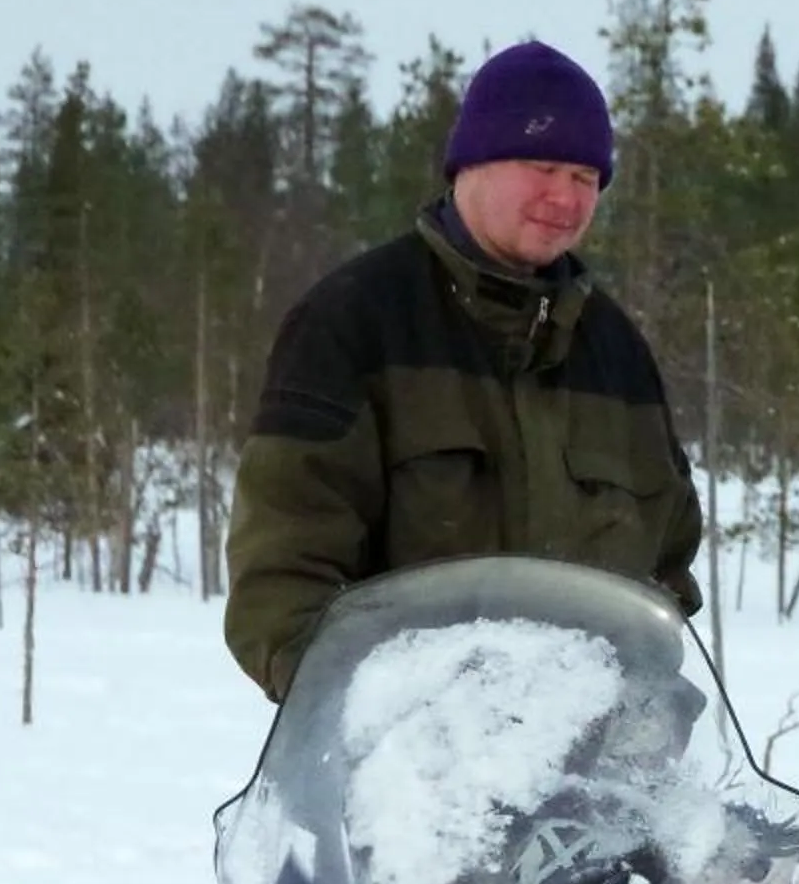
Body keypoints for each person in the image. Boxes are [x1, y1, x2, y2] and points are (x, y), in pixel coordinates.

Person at [223, 39, 704, 702]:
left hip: (595, 777)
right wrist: (362, 716)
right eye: (543, 166)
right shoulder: (358, 320)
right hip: (409, 773)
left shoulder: (616, 351)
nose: (565, 198)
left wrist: (645, 705)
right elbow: (284, 577)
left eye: (586, 178)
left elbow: (665, 572)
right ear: (471, 164)